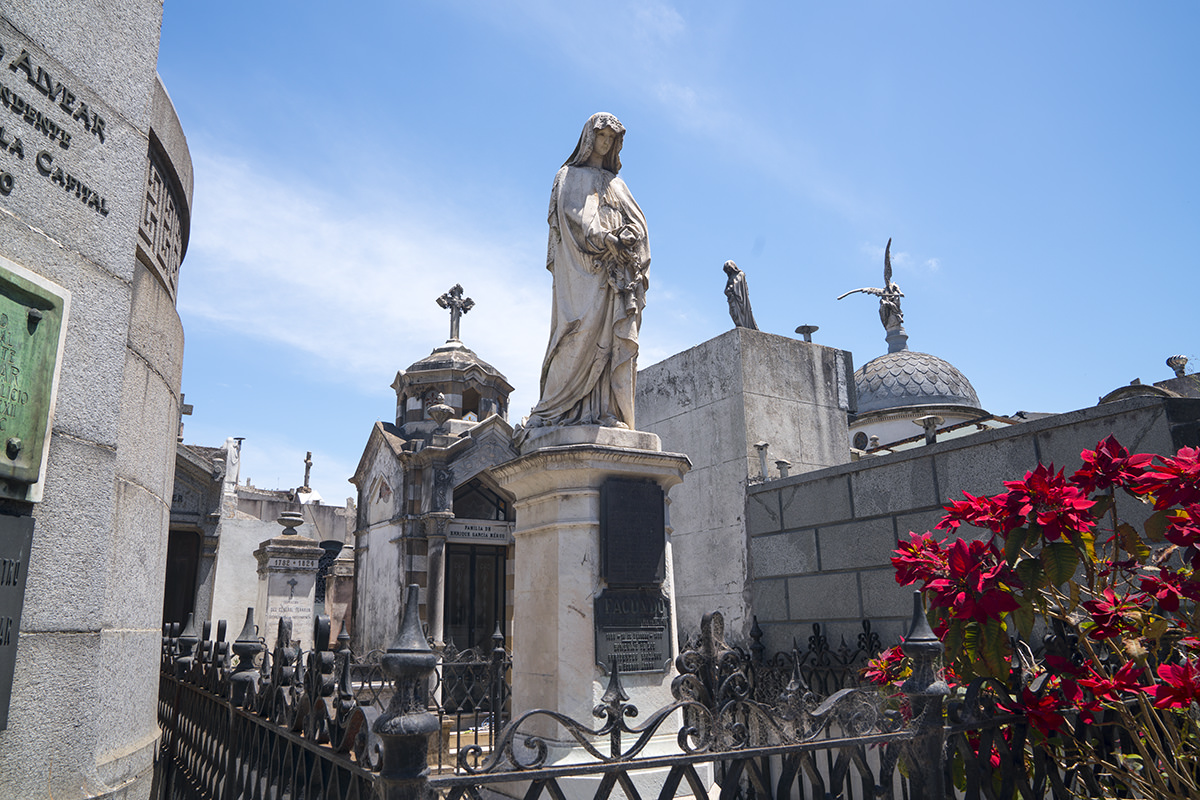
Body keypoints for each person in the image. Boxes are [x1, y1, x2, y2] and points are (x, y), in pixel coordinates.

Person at [522, 112, 649, 432]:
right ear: (588, 139)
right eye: (601, 137)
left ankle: (606, 410)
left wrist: (629, 238)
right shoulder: (569, 176)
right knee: (577, 333)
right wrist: (604, 238)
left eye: (611, 140)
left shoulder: (616, 184)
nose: (605, 144)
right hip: (582, 272)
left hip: (614, 276)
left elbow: (639, 224)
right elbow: (573, 218)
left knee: (609, 340)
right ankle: (554, 409)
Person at [723, 260, 758, 330]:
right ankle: (739, 324)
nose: (729, 270)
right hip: (732, 298)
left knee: (739, 312)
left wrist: (731, 288)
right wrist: (727, 291)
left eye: (729, 268)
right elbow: (726, 288)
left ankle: (744, 325)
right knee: (733, 313)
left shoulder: (740, 274)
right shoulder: (730, 278)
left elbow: (737, 284)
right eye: (727, 269)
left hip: (739, 298)